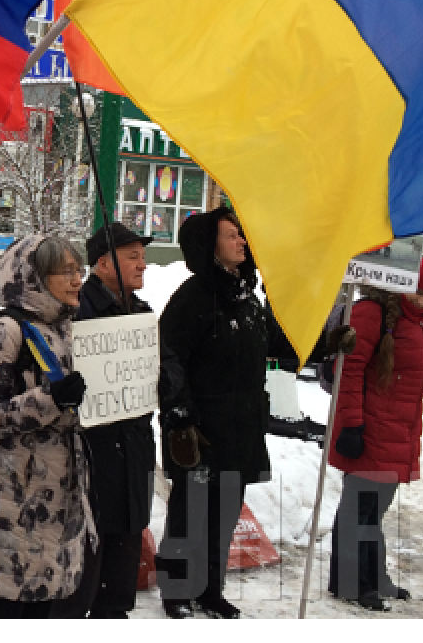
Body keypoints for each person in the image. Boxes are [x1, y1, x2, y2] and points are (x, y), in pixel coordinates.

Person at [50, 222, 187, 619]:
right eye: (134, 257)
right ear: (104, 264)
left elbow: (169, 367)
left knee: (121, 566)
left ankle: (114, 611)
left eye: (143, 257)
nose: (143, 265)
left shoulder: (142, 313)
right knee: (85, 568)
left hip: (135, 454)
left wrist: (162, 380)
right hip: (93, 456)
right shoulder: (75, 311)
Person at [328, 258, 423, 610]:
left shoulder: (417, 321)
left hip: (397, 432)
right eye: (420, 292)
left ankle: (373, 578)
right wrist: (351, 425)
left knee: (373, 512)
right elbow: (350, 370)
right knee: (358, 512)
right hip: (369, 428)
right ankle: (351, 583)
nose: (422, 301)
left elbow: (414, 360)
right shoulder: (372, 312)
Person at [0, 234, 94, 619]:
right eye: (66, 271)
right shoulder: (4, 331)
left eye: (79, 270)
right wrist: (50, 400)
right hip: (11, 504)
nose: (77, 280)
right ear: (34, 276)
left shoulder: (65, 328)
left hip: (57, 500)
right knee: (7, 611)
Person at [155, 207, 269, 619]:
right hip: (201, 430)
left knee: (223, 515)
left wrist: (326, 342)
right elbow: (168, 359)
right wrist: (179, 415)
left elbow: (277, 345)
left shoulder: (247, 297)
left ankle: (210, 590)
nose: (242, 241)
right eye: (232, 236)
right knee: (191, 512)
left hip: (241, 429)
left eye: (242, 235)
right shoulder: (193, 298)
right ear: (210, 245)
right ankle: (177, 590)